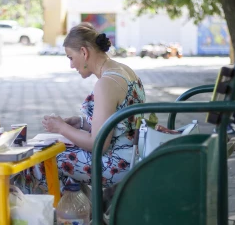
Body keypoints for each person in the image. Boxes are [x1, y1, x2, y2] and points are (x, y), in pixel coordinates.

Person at [25, 22, 146, 192]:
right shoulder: (125, 70)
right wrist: (81, 123)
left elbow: (98, 144)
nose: (71, 65)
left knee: (41, 162)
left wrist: (61, 128)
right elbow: (121, 127)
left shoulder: (106, 83)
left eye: (70, 57)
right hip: (133, 157)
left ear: (84, 52)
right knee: (60, 156)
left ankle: (61, 215)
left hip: (117, 165)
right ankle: (83, 211)